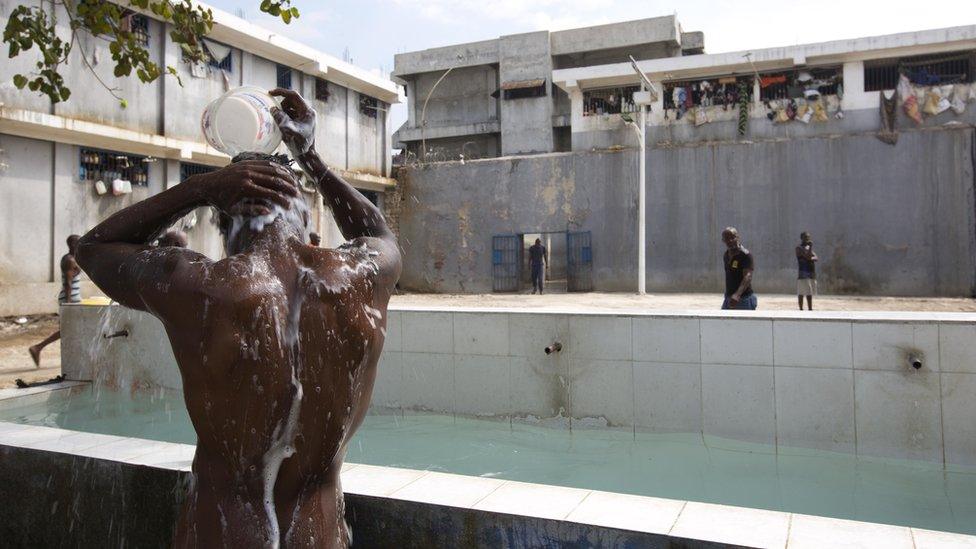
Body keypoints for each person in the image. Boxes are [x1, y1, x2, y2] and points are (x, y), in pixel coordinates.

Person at [75, 88, 400, 548]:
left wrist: (198, 188)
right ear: (308, 224)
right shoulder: (360, 280)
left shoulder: (200, 287)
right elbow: (378, 232)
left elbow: (92, 249)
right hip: (319, 536)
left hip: (224, 533)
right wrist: (311, 159)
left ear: (226, 229)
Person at [28, 235, 81, 367]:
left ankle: (39, 348)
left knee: (72, 329)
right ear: (72, 245)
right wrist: (68, 304)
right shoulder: (69, 260)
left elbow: (74, 275)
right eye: (79, 243)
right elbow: (68, 284)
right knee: (68, 329)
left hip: (73, 299)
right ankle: (38, 348)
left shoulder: (73, 259)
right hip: (70, 300)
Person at [721, 227, 757, 310]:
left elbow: (748, 276)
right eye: (726, 238)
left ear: (737, 237)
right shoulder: (726, 255)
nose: (730, 240)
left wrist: (737, 294)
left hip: (743, 299)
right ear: (723, 240)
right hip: (728, 298)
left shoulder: (745, 255)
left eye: (732, 237)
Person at [796, 231, 818, 310]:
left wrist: (811, 256)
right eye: (805, 237)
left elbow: (816, 258)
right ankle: (801, 309)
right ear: (801, 238)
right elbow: (808, 257)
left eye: (808, 237)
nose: (807, 239)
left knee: (809, 293)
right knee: (801, 292)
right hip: (803, 273)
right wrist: (810, 248)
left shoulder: (808, 248)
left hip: (811, 272)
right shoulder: (799, 248)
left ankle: (810, 309)